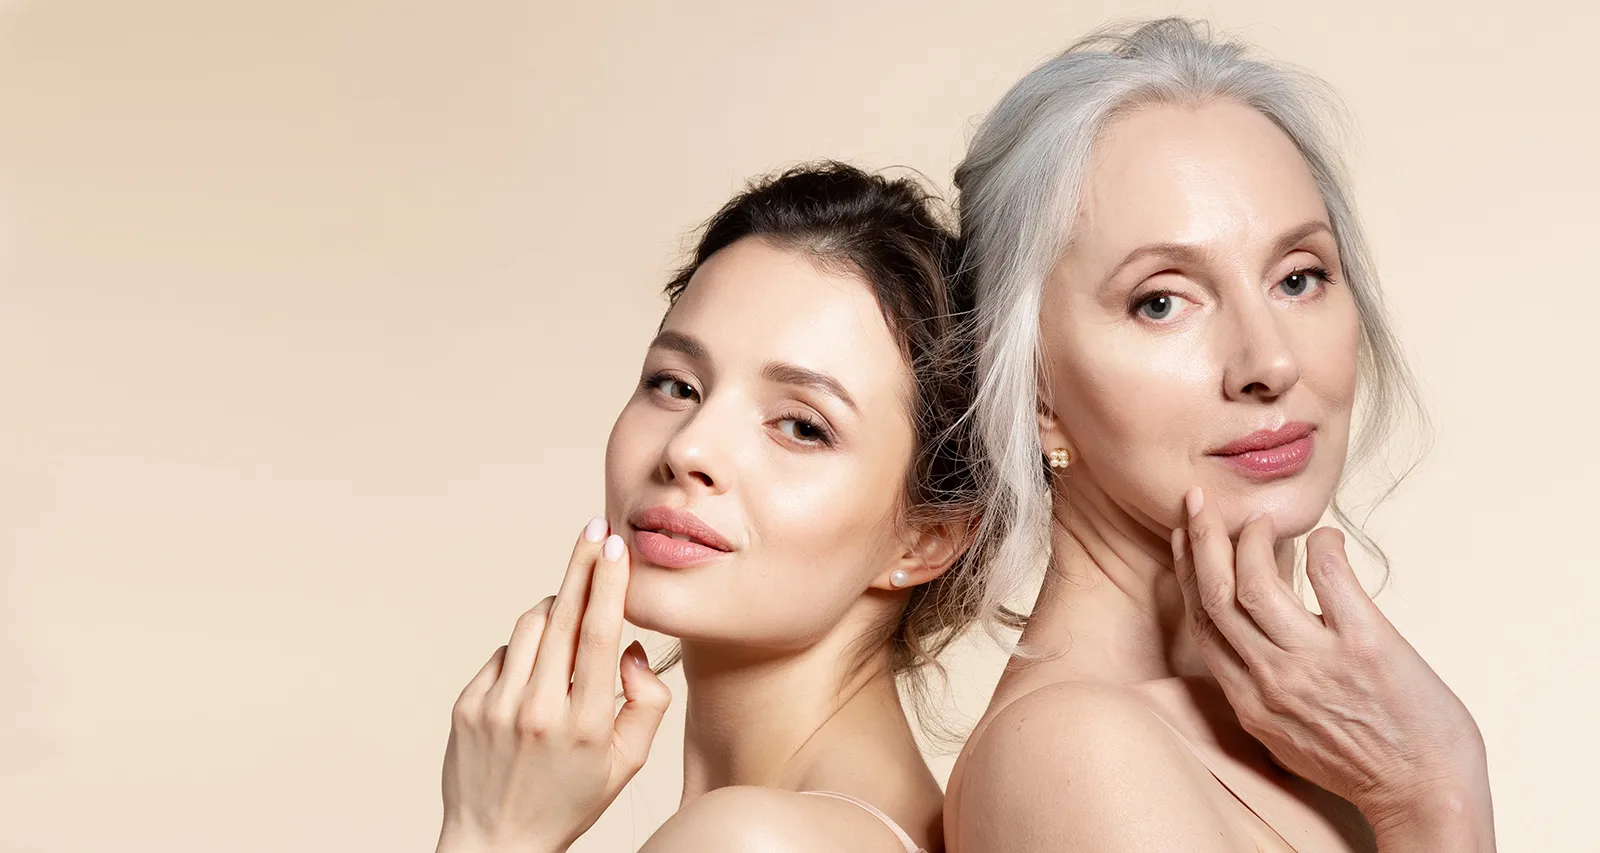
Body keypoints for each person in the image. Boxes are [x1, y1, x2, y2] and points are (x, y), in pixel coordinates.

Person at [944, 18, 1496, 852]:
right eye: (1161, 300)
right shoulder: (1074, 753)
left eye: (1299, 277)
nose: (1268, 360)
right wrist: (1433, 795)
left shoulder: (1328, 729)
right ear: (1033, 385)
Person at [433, 162, 987, 853]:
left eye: (800, 425)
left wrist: (494, 832)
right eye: (676, 384)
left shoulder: (752, 839)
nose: (689, 448)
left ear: (926, 537)